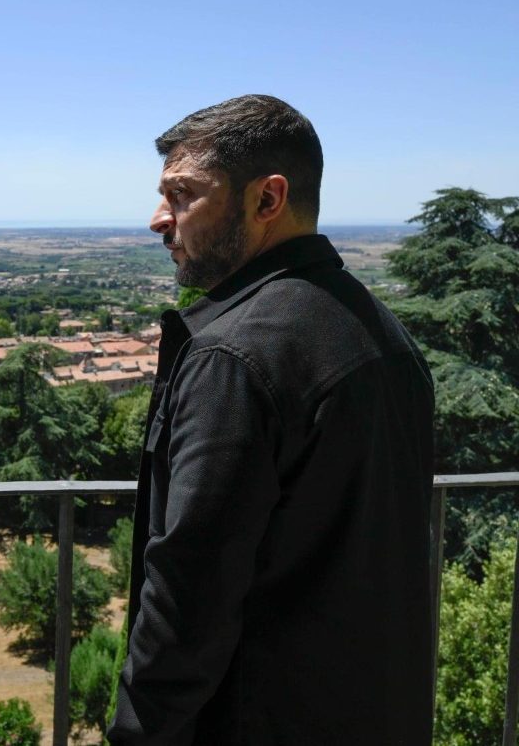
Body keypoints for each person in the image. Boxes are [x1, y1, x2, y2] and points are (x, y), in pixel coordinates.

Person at [109, 95, 435, 744]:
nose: (158, 219)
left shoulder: (233, 356)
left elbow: (188, 599)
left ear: (267, 199)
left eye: (182, 195)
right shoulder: (389, 339)